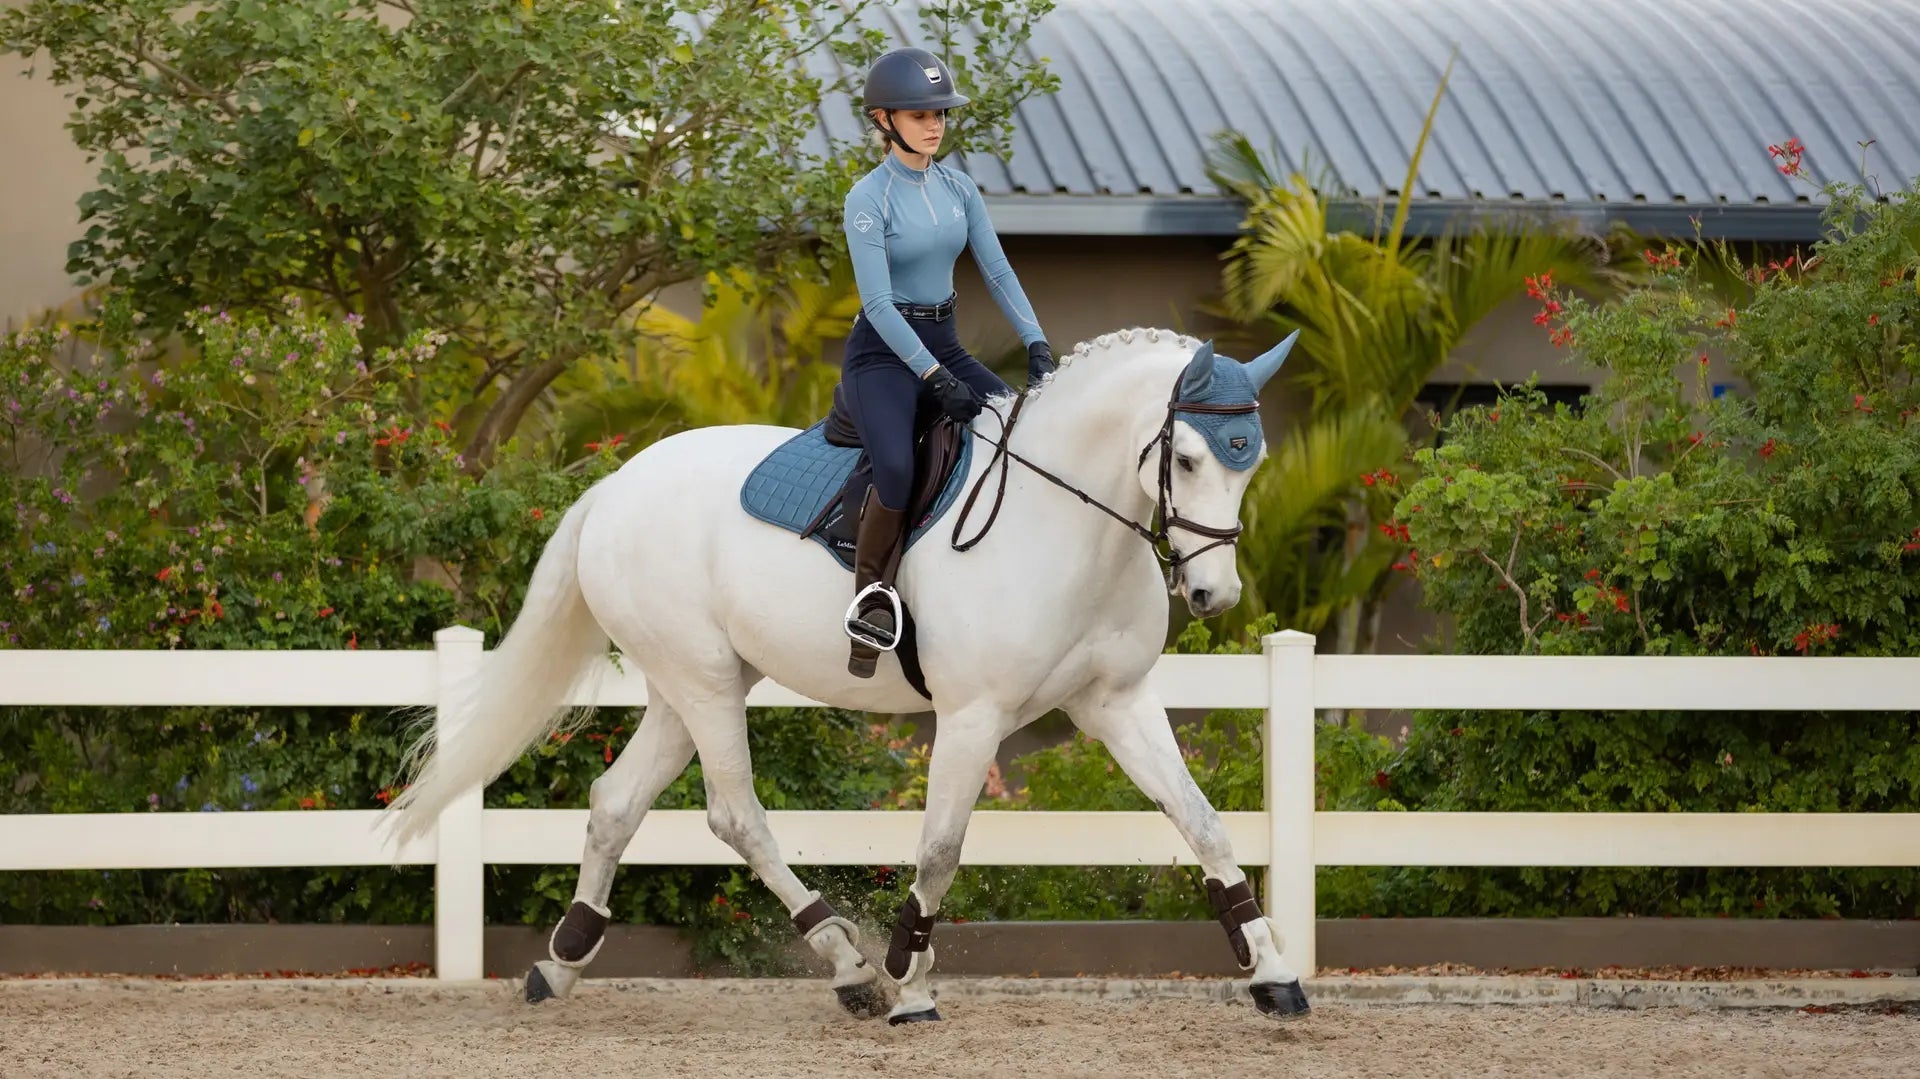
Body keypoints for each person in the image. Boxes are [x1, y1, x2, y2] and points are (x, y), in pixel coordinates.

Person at [838, 45, 1056, 676]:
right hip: (884, 356)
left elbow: (997, 267)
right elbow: (878, 305)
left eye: (940, 112)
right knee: (899, 467)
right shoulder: (867, 198)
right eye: (918, 113)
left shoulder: (960, 187)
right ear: (884, 119)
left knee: (1019, 429)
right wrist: (934, 379)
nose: (934, 124)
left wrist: (1037, 342)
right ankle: (871, 600)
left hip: (946, 339)